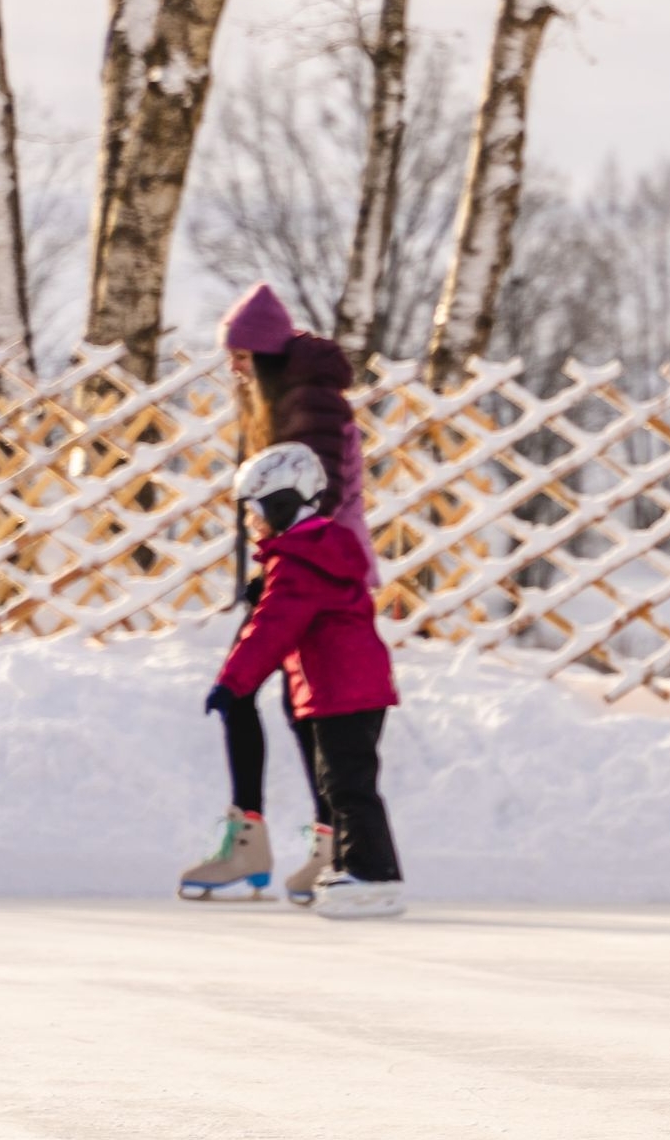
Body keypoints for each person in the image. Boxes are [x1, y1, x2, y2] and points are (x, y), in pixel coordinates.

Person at [177, 282, 376, 906]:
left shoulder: (307, 399)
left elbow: (314, 492)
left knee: (244, 691)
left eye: (240, 355)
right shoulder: (287, 395)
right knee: (298, 706)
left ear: (263, 353)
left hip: (315, 569)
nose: (232, 367)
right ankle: (319, 840)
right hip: (307, 565)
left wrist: (280, 563)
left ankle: (269, 838)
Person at [205, 442, 406, 920]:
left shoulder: (300, 561)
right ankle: (352, 866)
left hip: (343, 691)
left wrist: (232, 684)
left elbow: (272, 629)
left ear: (282, 502)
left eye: (255, 512)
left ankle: (375, 875)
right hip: (343, 688)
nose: (252, 523)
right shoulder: (315, 551)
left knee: (349, 786)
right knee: (341, 783)